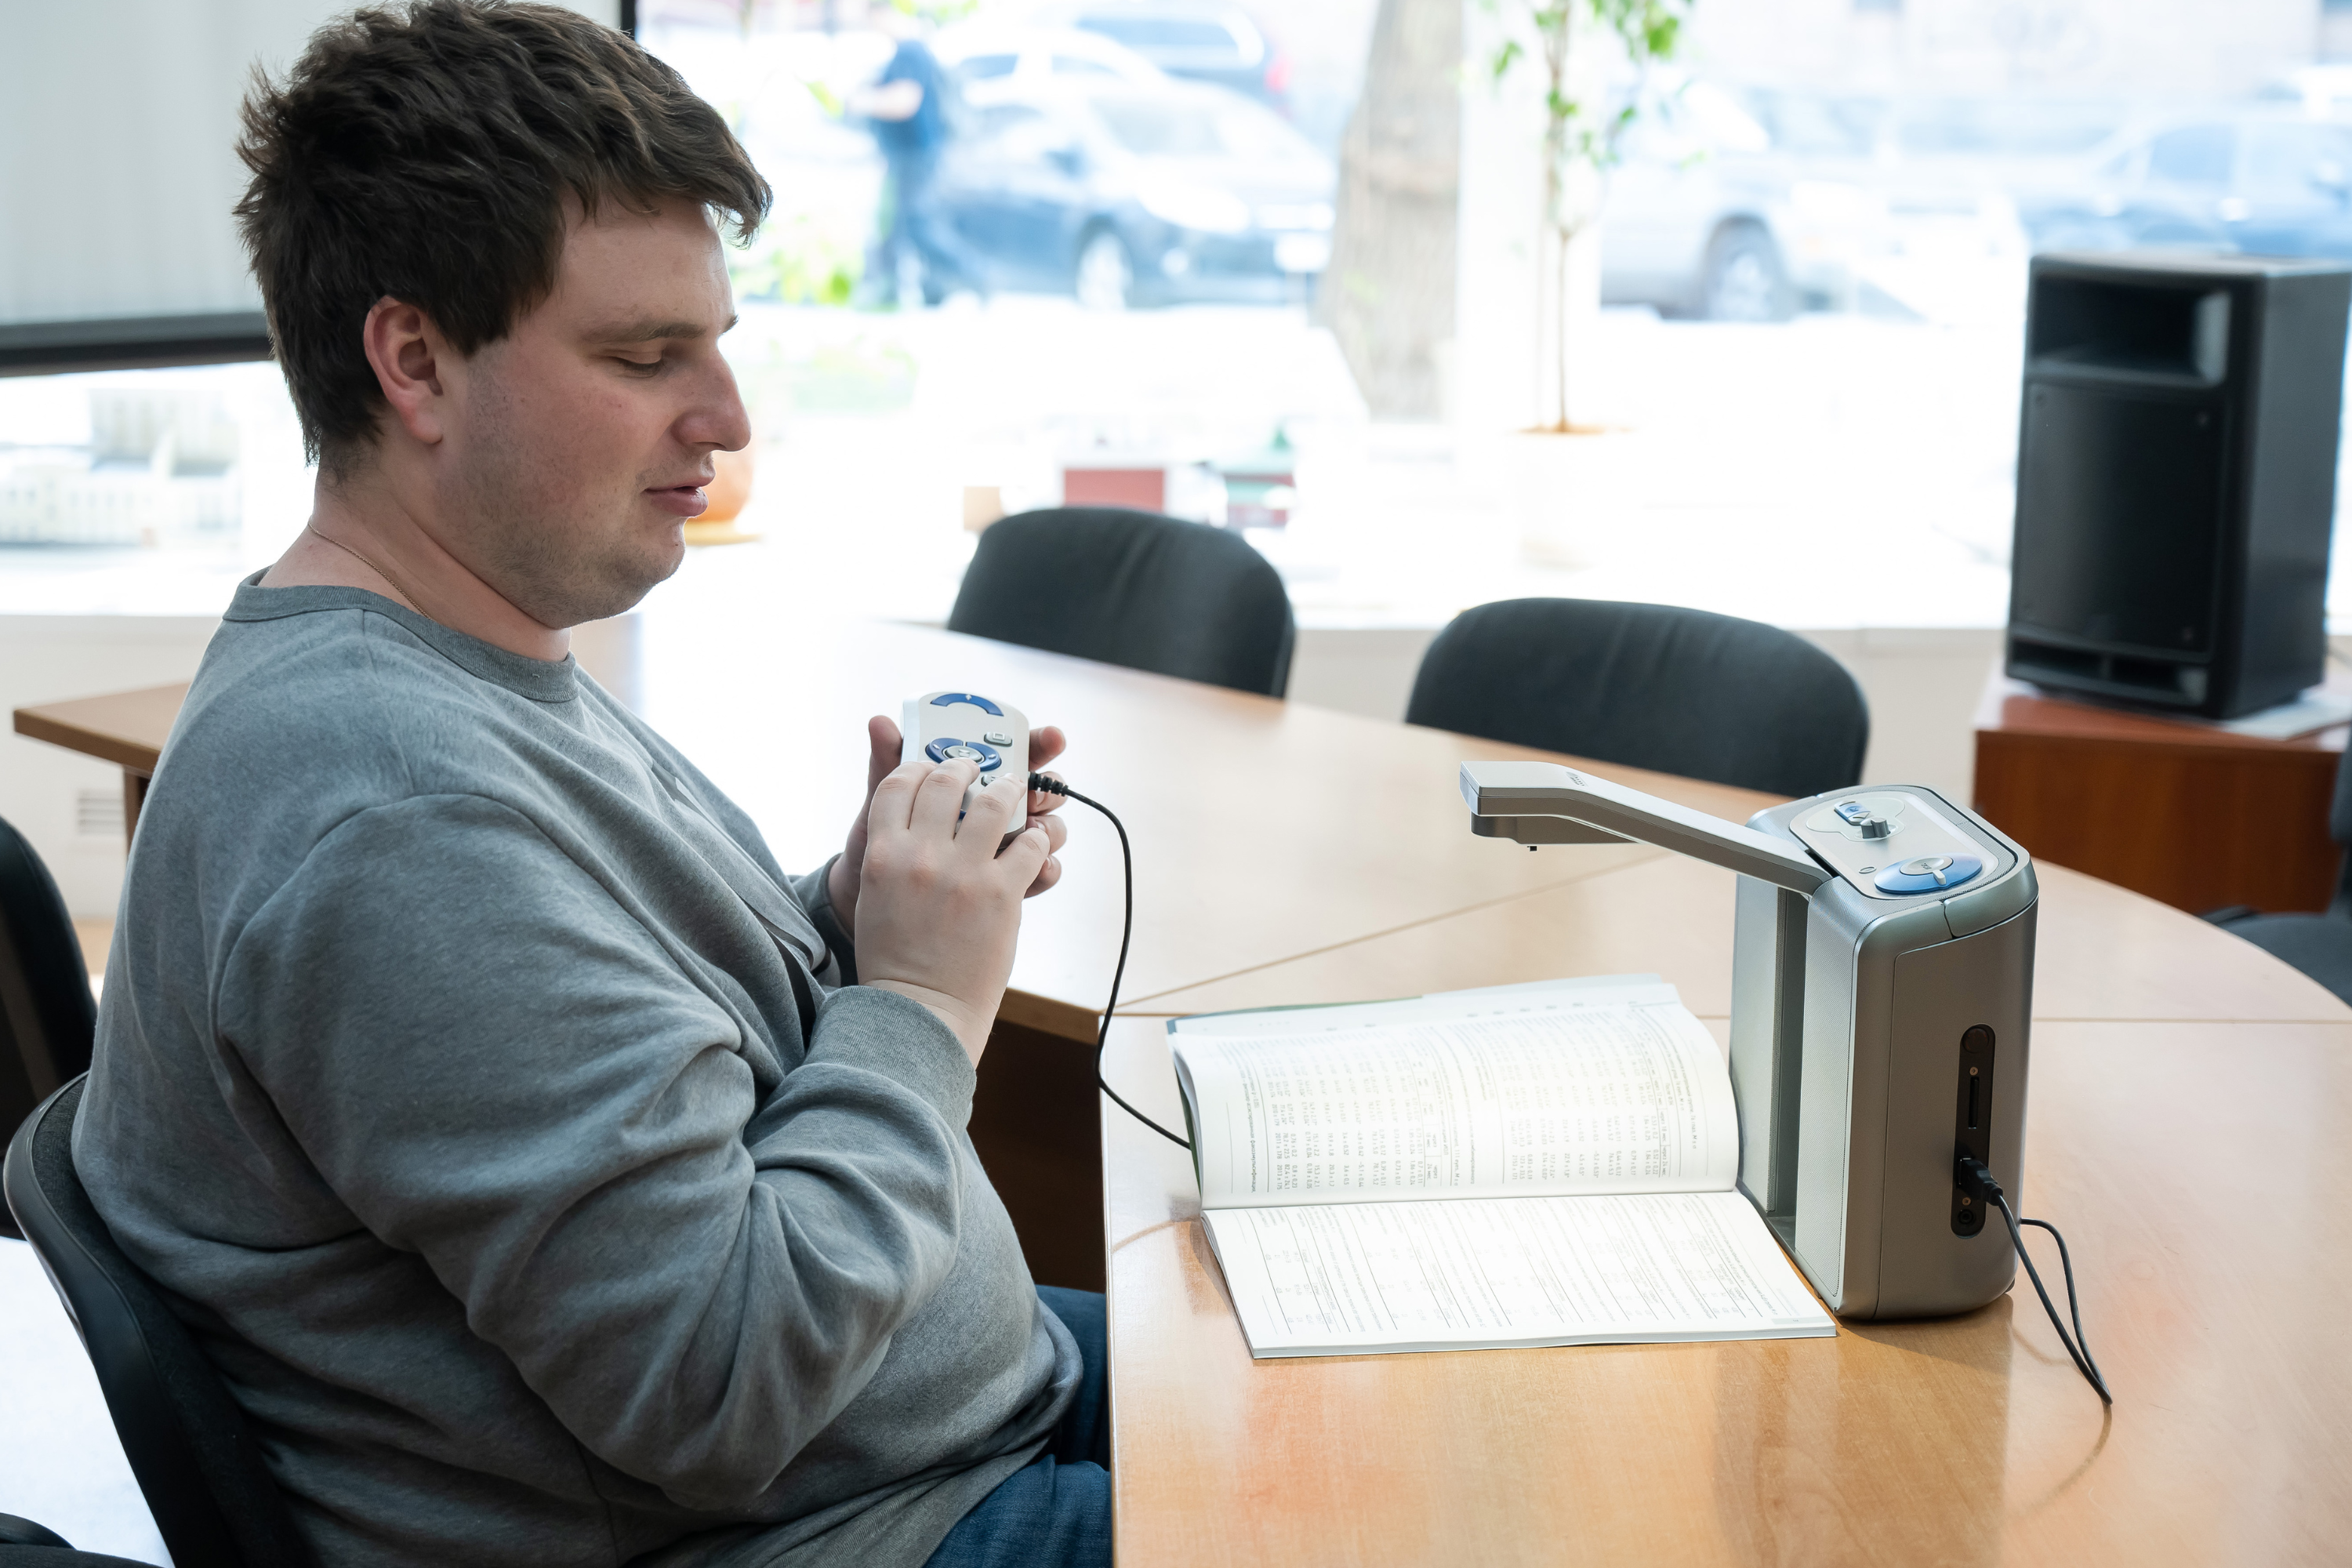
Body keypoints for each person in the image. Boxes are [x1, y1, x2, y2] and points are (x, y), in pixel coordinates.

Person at [73, 4, 1108, 1565]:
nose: (728, 420)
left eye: (717, 347)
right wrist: (926, 1001)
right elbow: (718, 1379)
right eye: (644, 357)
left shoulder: (468, 657)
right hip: (864, 1521)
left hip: (937, 1423)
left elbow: (634, 1022)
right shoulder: (388, 812)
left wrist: (850, 912)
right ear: (414, 361)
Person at [851, 7, 990, 306]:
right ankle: (905, 290)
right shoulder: (911, 50)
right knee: (899, 224)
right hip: (909, 156)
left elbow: (904, 102)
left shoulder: (910, 51)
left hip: (916, 155)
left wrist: (864, 101)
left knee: (915, 222)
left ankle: (973, 274)